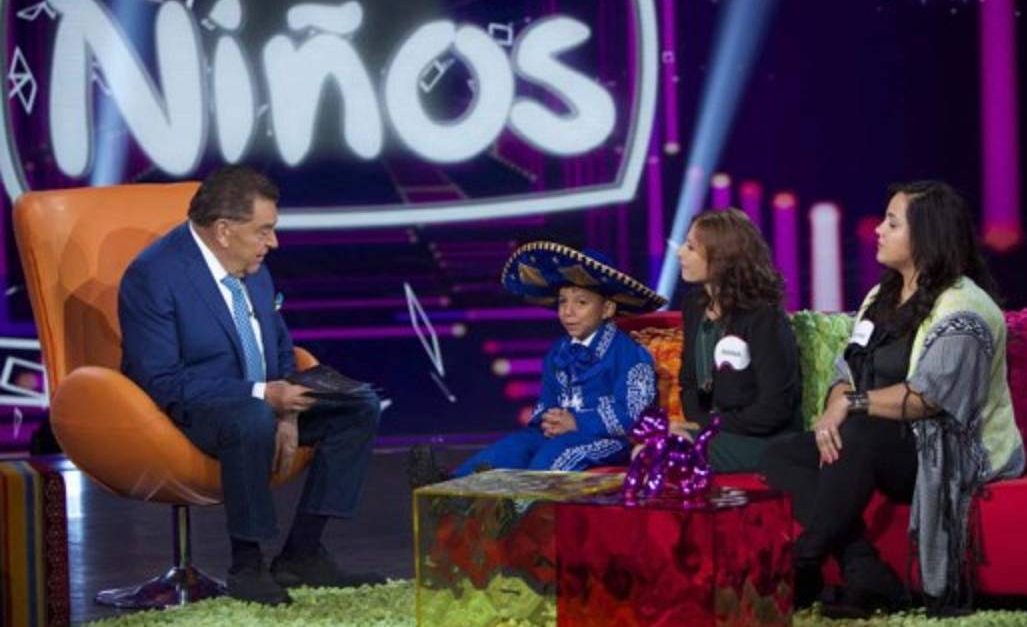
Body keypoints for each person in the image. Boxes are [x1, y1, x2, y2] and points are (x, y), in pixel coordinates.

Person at [119, 165, 383, 605]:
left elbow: (280, 347)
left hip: (264, 400)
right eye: (264, 230)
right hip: (190, 409)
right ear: (224, 230)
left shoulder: (253, 266)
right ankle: (247, 565)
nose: (273, 242)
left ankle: (302, 554)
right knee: (251, 417)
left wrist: (288, 408)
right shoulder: (153, 275)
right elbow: (161, 380)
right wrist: (263, 397)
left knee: (358, 407)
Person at [762, 181, 1025, 616]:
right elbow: (847, 368)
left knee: (860, 435)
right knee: (783, 455)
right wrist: (835, 408)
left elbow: (929, 399)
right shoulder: (880, 296)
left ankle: (803, 560)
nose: (879, 230)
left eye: (892, 223)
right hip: (880, 439)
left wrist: (853, 405)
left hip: (950, 447)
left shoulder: (965, 308)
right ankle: (865, 571)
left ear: (926, 235)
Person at [441, 242, 662, 477]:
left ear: (607, 309)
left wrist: (577, 422)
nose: (568, 311)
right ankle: (450, 488)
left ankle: (523, 500)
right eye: (563, 301)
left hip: (611, 441)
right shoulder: (558, 352)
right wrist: (549, 420)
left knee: (554, 456)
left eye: (581, 302)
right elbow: (548, 400)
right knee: (513, 447)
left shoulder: (629, 353)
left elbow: (635, 414)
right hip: (560, 433)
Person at [674, 208, 801, 472]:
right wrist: (702, 423)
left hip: (764, 439)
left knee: (665, 451)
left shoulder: (763, 317)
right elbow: (690, 384)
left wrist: (709, 426)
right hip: (718, 432)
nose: (680, 253)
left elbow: (774, 408)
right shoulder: (694, 307)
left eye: (691, 248)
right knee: (654, 445)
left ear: (721, 258)